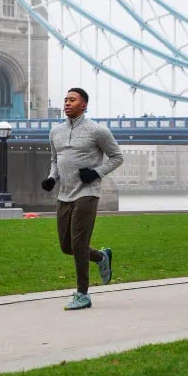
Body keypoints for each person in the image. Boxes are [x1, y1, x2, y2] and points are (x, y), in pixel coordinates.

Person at [42, 87, 124, 311]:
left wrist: (96, 172)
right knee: (66, 246)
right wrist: (51, 178)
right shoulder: (55, 132)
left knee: (78, 244)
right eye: (65, 99)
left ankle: (82, 293)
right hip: (64, 194)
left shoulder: (98, 131)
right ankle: (100, 257)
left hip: (87, 193)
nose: (67, 103)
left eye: (72, 100)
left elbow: (117, 157)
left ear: (84, 105)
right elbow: (54, 159)